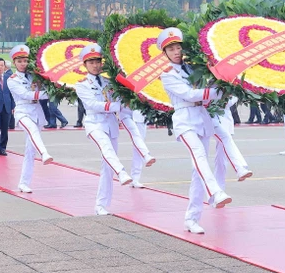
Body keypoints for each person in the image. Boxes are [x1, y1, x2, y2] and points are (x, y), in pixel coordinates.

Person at [157, 27, 232, 234]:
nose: (176, 52)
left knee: (197, 171)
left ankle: (192, 218)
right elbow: (189, 94)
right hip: (184, 119)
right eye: (171, 49)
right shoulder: (167, 75)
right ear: (164, 53)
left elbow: (207, 83)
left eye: (178, 47)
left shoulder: (194, 68)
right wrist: (216, 92)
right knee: (199, 157)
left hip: (201, 118)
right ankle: (215, 192)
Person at [73, 43, 155, 215]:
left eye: (97, 61)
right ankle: (122, 172)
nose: (95, 65)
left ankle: (101, 205)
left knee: (107, 167)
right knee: (106, 149)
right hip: (95, 124)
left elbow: (122, 102)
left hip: (111, 126)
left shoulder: (109, 82)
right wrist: (116, 105)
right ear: (85, 65)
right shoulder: (81, 85)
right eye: (91, 62)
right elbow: (93, 105)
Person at [7, 45, 54, 193]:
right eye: (20, 61)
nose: (23, 64)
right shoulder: (12, 80)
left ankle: (23, 183)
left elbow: (46, 84)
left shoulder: (35, 75)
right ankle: (45, 153)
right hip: (23, 111)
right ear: (14, 63)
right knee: (32, 131)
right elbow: (26, 95)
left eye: (25, 60)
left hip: (37, 112)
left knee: (30, 150)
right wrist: (49, 94)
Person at [212, 95, 253, 190]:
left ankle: (219, 189)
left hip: (225, 119)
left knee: (221, 157)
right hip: (211, 118)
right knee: (226, 141)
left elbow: (233, 99)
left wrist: (226, 99)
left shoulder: (231, 85)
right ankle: (240, 168)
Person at [129, 108, 149, 188]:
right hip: (135, 117)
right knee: (138, 146)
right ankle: (135, 178)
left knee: (139, 146)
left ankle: (135, 178)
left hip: (141, 116)